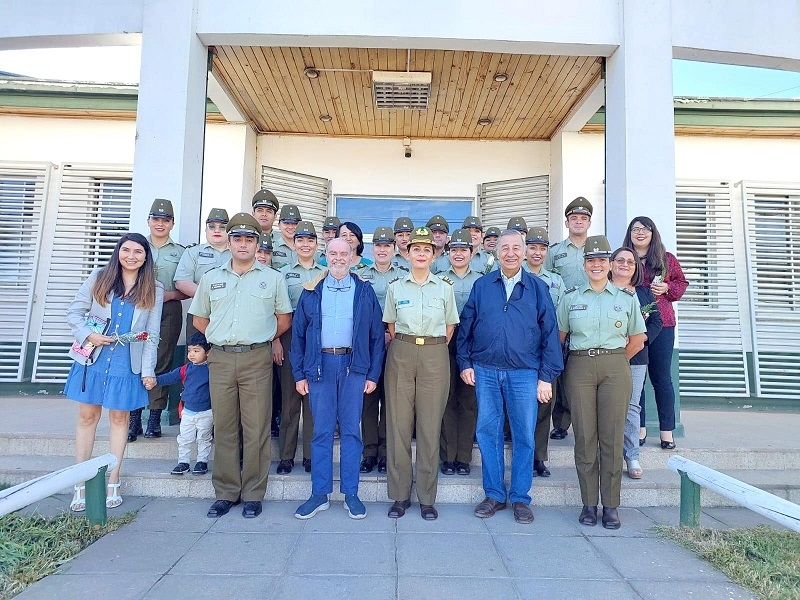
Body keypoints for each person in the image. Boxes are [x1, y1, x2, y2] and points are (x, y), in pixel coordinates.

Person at [190, 213, 292, 519]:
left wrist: (258, 338)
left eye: (249, 239)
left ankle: (253, 493)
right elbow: (199, 318)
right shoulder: (210, 278)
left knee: (256, 427)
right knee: (224, 426)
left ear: (257, 243)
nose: (243, 244)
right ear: (229, 241)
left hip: (256, 358)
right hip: (219, 358)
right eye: (238, 238)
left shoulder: (272, 278)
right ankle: (226, 492)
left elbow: (283, 319)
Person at [458, 230, 563, 524]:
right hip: (486, 371)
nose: (511, 253)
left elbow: (550, 333)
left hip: (524, 373)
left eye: (517, 248)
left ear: (525, 251)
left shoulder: (538, 288)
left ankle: (519, 497)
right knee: (487, 433)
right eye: (505, 248)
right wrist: (465, 362)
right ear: (497, 252)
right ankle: (493, 494)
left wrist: (546, 376)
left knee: (524, 436)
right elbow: (466, 326)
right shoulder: (482, 286)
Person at [64, 233, 163, 512]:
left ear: (146, 257)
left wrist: (148, 370)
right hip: (93, 357)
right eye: (126, 250)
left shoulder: (153, 287)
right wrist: (87, 336)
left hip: (125, 360)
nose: (131, 256)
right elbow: (75, 312)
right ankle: (80, 483)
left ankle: (113, 480)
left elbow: (152, 334)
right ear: (118, 252)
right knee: (87, 417)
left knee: (120, 418)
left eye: (138, 252)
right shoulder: (99, 277)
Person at [290, 238, 386, 519]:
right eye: (333, 253)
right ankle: (319, 494)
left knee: (351, 432)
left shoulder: (364, 291)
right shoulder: (311, 291)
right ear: (326, 256)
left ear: (353, 257)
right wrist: (299, 373)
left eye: (344, 253)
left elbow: (376, 337)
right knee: (320, 432)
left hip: (353, 367)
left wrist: (372, 374)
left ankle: (351, 494)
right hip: (320, 366)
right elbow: (297, 336)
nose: (339, 258)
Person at [556, 235, 646, 529]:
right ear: (584, 265)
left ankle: (610, 505)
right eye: (591, 260)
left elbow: (636, 340)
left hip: (615, 367)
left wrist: (614, 359)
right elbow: (560, 337)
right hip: (580, 366)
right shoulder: (570, 297)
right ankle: (588, 503)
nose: (596, 265)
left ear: (609, 265)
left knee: (611, 436)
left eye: (601, 260)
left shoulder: (626, 298)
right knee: (584, 437)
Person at [383, 227, 459, 521]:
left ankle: (427, 497)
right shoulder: (395, 287)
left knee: (429, 427)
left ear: (434, 254)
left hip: (434, 354)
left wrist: (429, 346)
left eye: (427, 249)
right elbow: (390, 325)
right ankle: (400, 496)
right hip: (402, 351)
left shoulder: (444, 287)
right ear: (408, 252)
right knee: (399, 426)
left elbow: (450, 327)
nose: (422, 254)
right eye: (417, 249)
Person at [623, 217, 689, 450]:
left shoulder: (666, 259)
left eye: (645, 229)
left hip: (663, 325)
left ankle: (666, 431)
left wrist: (668, 288)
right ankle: (639, 429)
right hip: (632, 326)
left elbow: (682, 283)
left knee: (661, 379)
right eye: (635, 229)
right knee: (636, 380)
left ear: (653, 233)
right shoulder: (624, 259)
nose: (640, 233)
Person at [133, 199, 187, 441]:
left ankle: (154, 417)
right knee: (134, 361)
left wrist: (170, 295)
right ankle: (133, 418)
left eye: (165, 220)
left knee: (161, 361)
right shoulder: (136, 247)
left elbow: (187, 287)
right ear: (149, 221)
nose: (160, 224)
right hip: (137, 308)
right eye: (156, 219)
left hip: (168, 309)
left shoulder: (181, 252)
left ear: (172, 223)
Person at [356, 226, 408, 474]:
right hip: (366, 343)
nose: (382, 249)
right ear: (372, 248)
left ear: (394, 248)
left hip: (395, 341)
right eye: (378, 245)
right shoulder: (360, 275)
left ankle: (387, 451)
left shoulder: (404, 275)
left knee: (391, 399)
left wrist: (391, 334)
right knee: (368, 398)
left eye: (387, 245)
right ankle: (369, 452)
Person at [276, 221, 325, 474]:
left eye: (310, 240)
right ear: (294, 244)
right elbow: (277, 310)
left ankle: (310, 455)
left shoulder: (326, 272)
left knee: (314, 399)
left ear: (317, 245)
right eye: (301, 240)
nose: (305, 245)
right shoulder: (283, 273)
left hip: (319, 337)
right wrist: (276, 340)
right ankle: (286, 455)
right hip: (291, 335)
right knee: (291, 397)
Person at [608, 248, 662, 479]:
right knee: (605, 407)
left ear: (636, 267)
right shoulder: (602, 289)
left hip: (636, 357)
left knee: (631, 407)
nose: (625, 265)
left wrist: (641, 338)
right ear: (611, 264)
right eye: (620, 260)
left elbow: (657, 321)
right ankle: (607, 455)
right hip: (605, 356)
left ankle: (631, 456)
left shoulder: (643, 293)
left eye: (630, 262)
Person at [545, 196, 594, 441]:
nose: (578, 222)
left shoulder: (596, 251)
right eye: (574, 218)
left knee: (581, 370)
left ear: (589, 223)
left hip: (590, 318)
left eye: (583, 218)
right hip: (561, 317)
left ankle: (586, 421)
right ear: (566, 222)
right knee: (560, 371)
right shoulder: (555, 252)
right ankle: (561, 422)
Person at [438, 229, 482, 476]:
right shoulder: (438, 278)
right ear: (447, 252)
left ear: (472, 252)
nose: (458, 254)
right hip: (444, 342)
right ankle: (447, 457)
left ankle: (463, 457)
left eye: (463, 249)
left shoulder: (482, 280)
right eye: (453, 249)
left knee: (468, 402)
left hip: (473, 344)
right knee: (446, 400)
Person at [523, 227, 566, 477]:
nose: (537, 252)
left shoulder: (555, 280)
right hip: (520, 349)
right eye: (533, 247)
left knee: (543, 406)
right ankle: (521, 452)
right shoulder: (515, 275)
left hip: (546, 348)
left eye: (542, 248)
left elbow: (559, 318)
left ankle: (539, 457)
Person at [148, 332, 214, 476]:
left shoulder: (212, 370)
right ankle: (183, 462)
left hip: (206, 412)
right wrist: (155, 380)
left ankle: (202, 462)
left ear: (207, 352)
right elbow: (171, 377)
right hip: (188, 411)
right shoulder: (186, 369)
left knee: (204, 438)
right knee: (184, 438)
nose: (192, 354)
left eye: (196, 351)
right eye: (190, 350)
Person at [174, 208, 231, 343]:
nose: (217, 230)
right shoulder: (193, 252)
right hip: (200, 313)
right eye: (212, 227)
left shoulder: (237, 253)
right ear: (205, 230)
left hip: (229, 313)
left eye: (222, 227)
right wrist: (209, 297)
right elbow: (181, 281)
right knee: (195, 357)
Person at [272, 204, 302, 270]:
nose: (291, 227)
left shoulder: (305, 249)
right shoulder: (272, 247)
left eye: (295, 223)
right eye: (286, 223)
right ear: (279, 225)